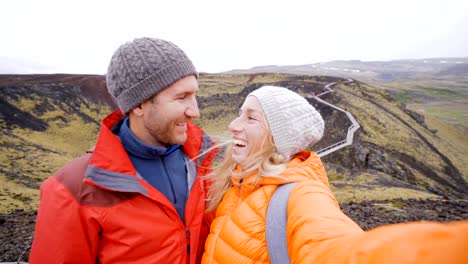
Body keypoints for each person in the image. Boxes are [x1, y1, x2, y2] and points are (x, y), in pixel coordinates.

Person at [201, 86, 468, 264]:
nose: (233, 126)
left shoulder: (302, 195)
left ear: (278, 138)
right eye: (239, 115)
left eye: (251, 118)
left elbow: (333, 248)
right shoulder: (236, 183)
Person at [29, 37, 218, 264]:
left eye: (194, 94)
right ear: (138, 105)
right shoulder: (72, 189)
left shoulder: (201, 161)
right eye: (181, 98)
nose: (194, 111)